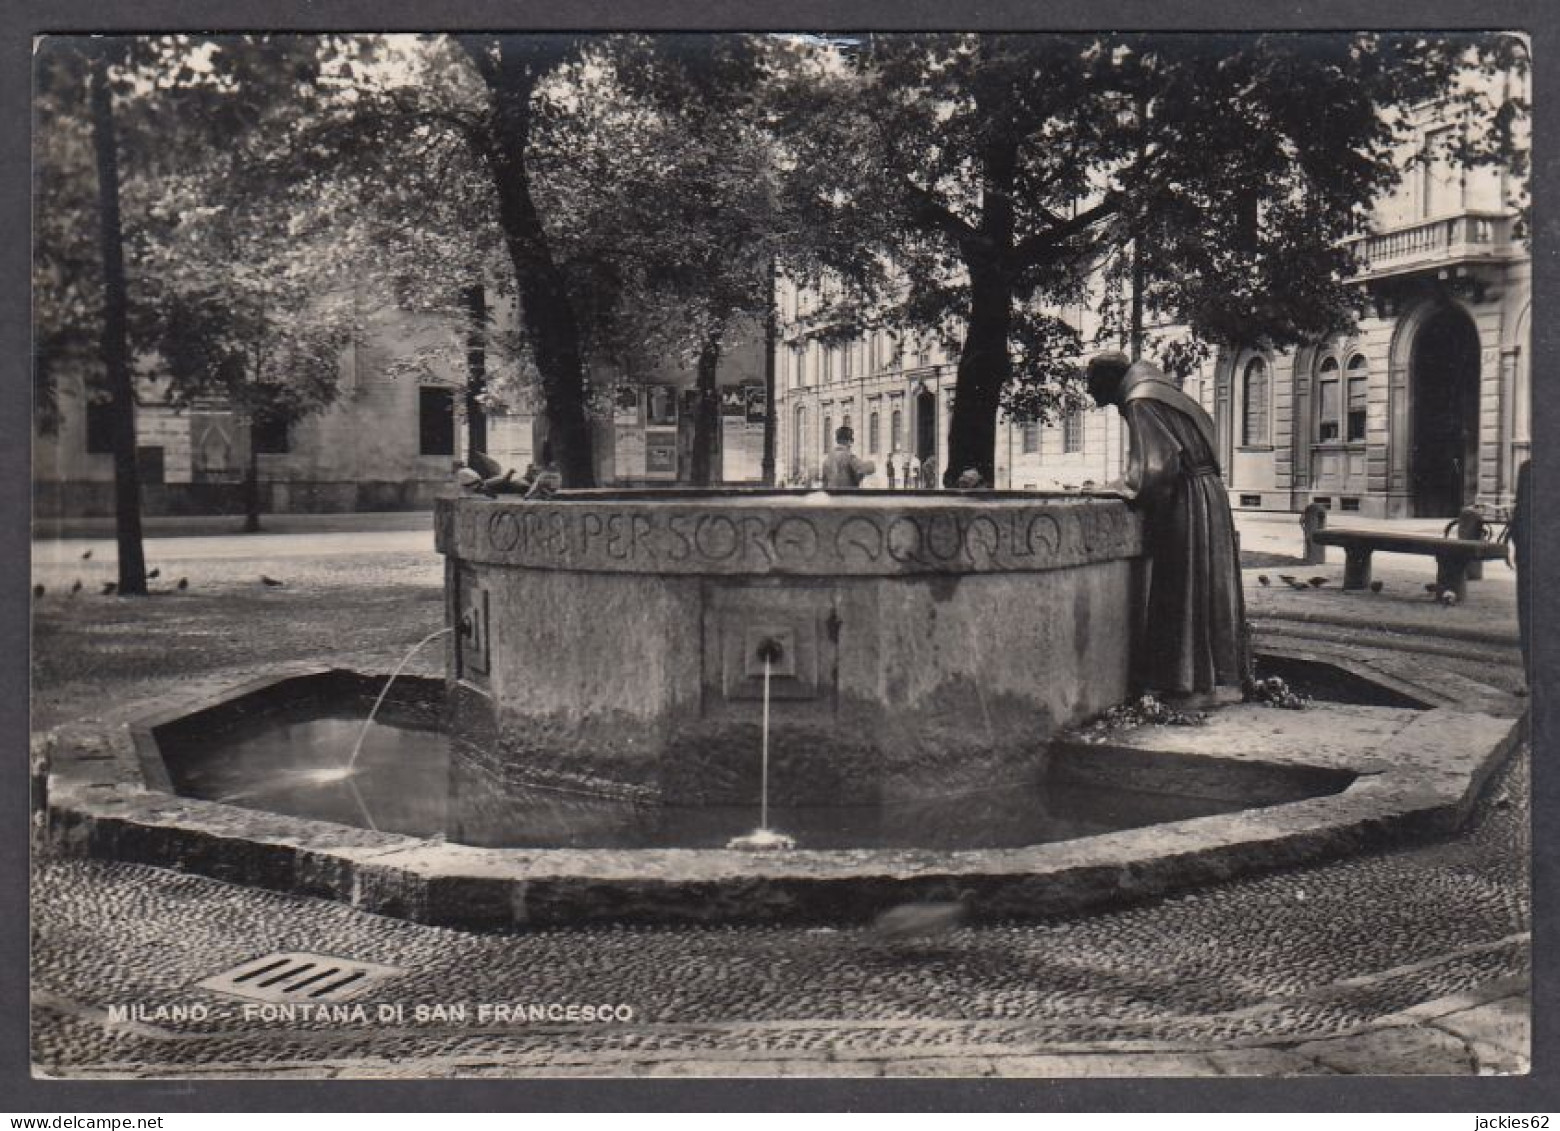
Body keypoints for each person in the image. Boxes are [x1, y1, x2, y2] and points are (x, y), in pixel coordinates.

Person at [1085, 350, 1248, 704]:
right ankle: (1214, 678)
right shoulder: (1160, 387)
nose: (1103, 404)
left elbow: (1154, 470)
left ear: (1110, 384)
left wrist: (1112, 488)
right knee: (1207, 588)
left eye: (1100, 396)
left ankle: (1186, 681)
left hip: (1187, 499)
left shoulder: (1140, 399)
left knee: (1182, 584)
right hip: (1208, 494)